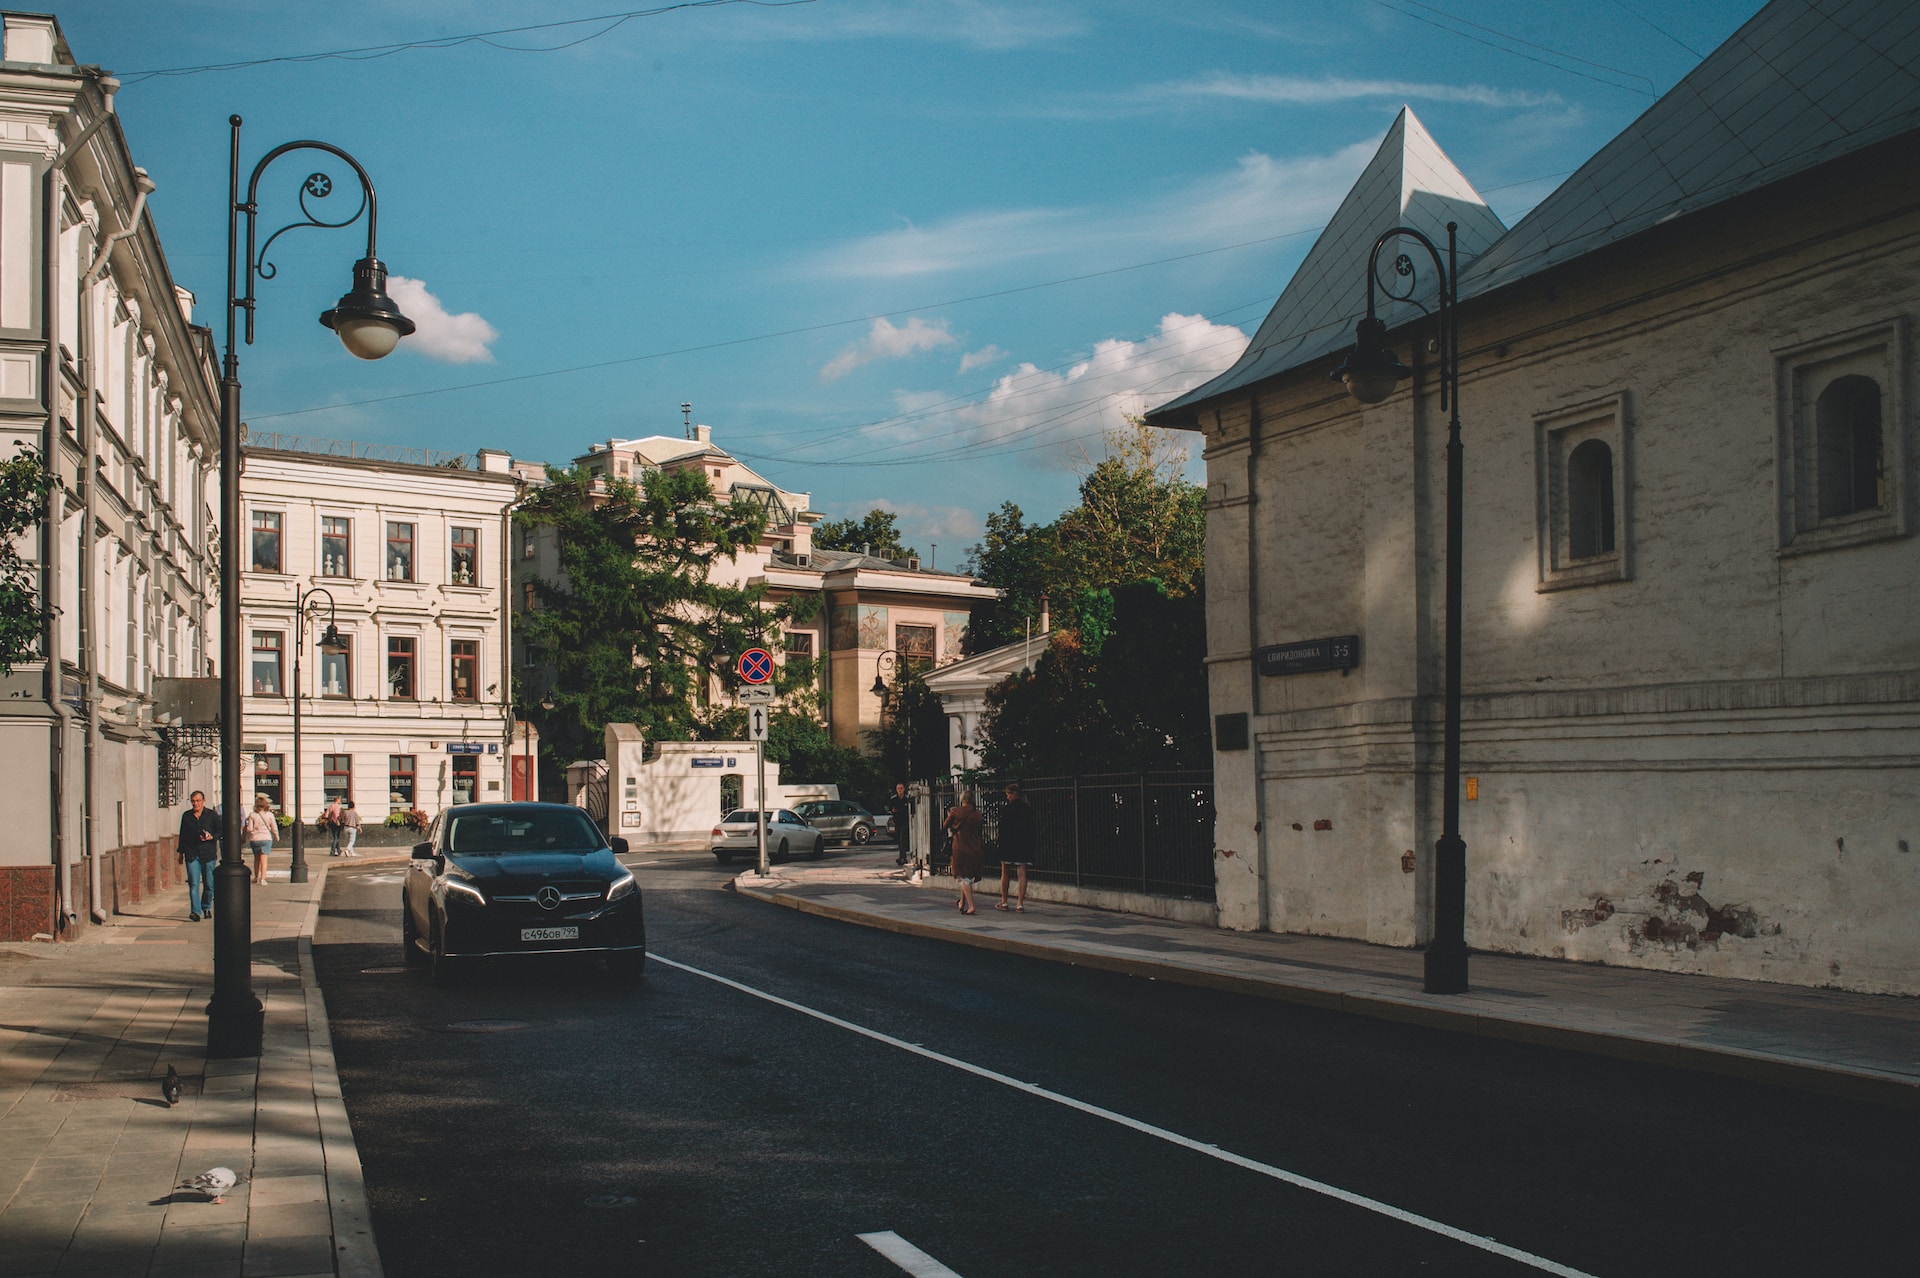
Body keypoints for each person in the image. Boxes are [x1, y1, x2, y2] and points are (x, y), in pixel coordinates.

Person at [176, 790, 219, 921]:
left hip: (208, 853)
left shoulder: (212, 815)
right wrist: (181, 853)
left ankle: (206, 907)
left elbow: (220, 831)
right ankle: (195, 911)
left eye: (198, 801)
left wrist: (212, 837)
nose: (195, 803)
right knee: (193, 883)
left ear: (203, 801)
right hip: (192, 854)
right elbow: (182, 835)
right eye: (193, 801)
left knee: (209, 884)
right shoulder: (187, 816)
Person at [941, 789, 985, 915]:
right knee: (967, 876)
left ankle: (971, 906)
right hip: (975, 847)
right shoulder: (978, 815)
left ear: (962, 799)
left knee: (964, 877)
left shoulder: (956, 812)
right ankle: (962, 902)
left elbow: (945, 825)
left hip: (960, 847)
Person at [995, 781, 1036, 913]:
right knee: (1022, 872)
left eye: (1008, 794)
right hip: (1023, 843)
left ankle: (1004, 901)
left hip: (1008, 843)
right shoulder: (1027, 808)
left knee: (1005, 872)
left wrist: (1000, 842)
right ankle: (1020, 904)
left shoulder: (1007, 809)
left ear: (1014, 794)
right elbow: (1031, 828)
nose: (1007, 797)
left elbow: (1002, 828)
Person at [244, 795, 278, 884]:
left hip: (255, 839)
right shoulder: (270, 815)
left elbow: (250, 829)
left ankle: (256, 877)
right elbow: (274, 827)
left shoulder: (252, 815)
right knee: (264, 859)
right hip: (266, 838)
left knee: (256, 859)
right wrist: (276, 836)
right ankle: (263, 879)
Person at [888, 783, 912, 867]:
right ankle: (901, 856)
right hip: (897, 821)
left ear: (904, 789)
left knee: (903, 839)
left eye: (901, 788)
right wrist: (892, 811)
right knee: (899, 839)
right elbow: (890, 809)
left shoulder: (907, 799)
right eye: (898, 788)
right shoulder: (894, 799)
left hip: (905, 821)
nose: (900, 790)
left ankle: (903, 857)